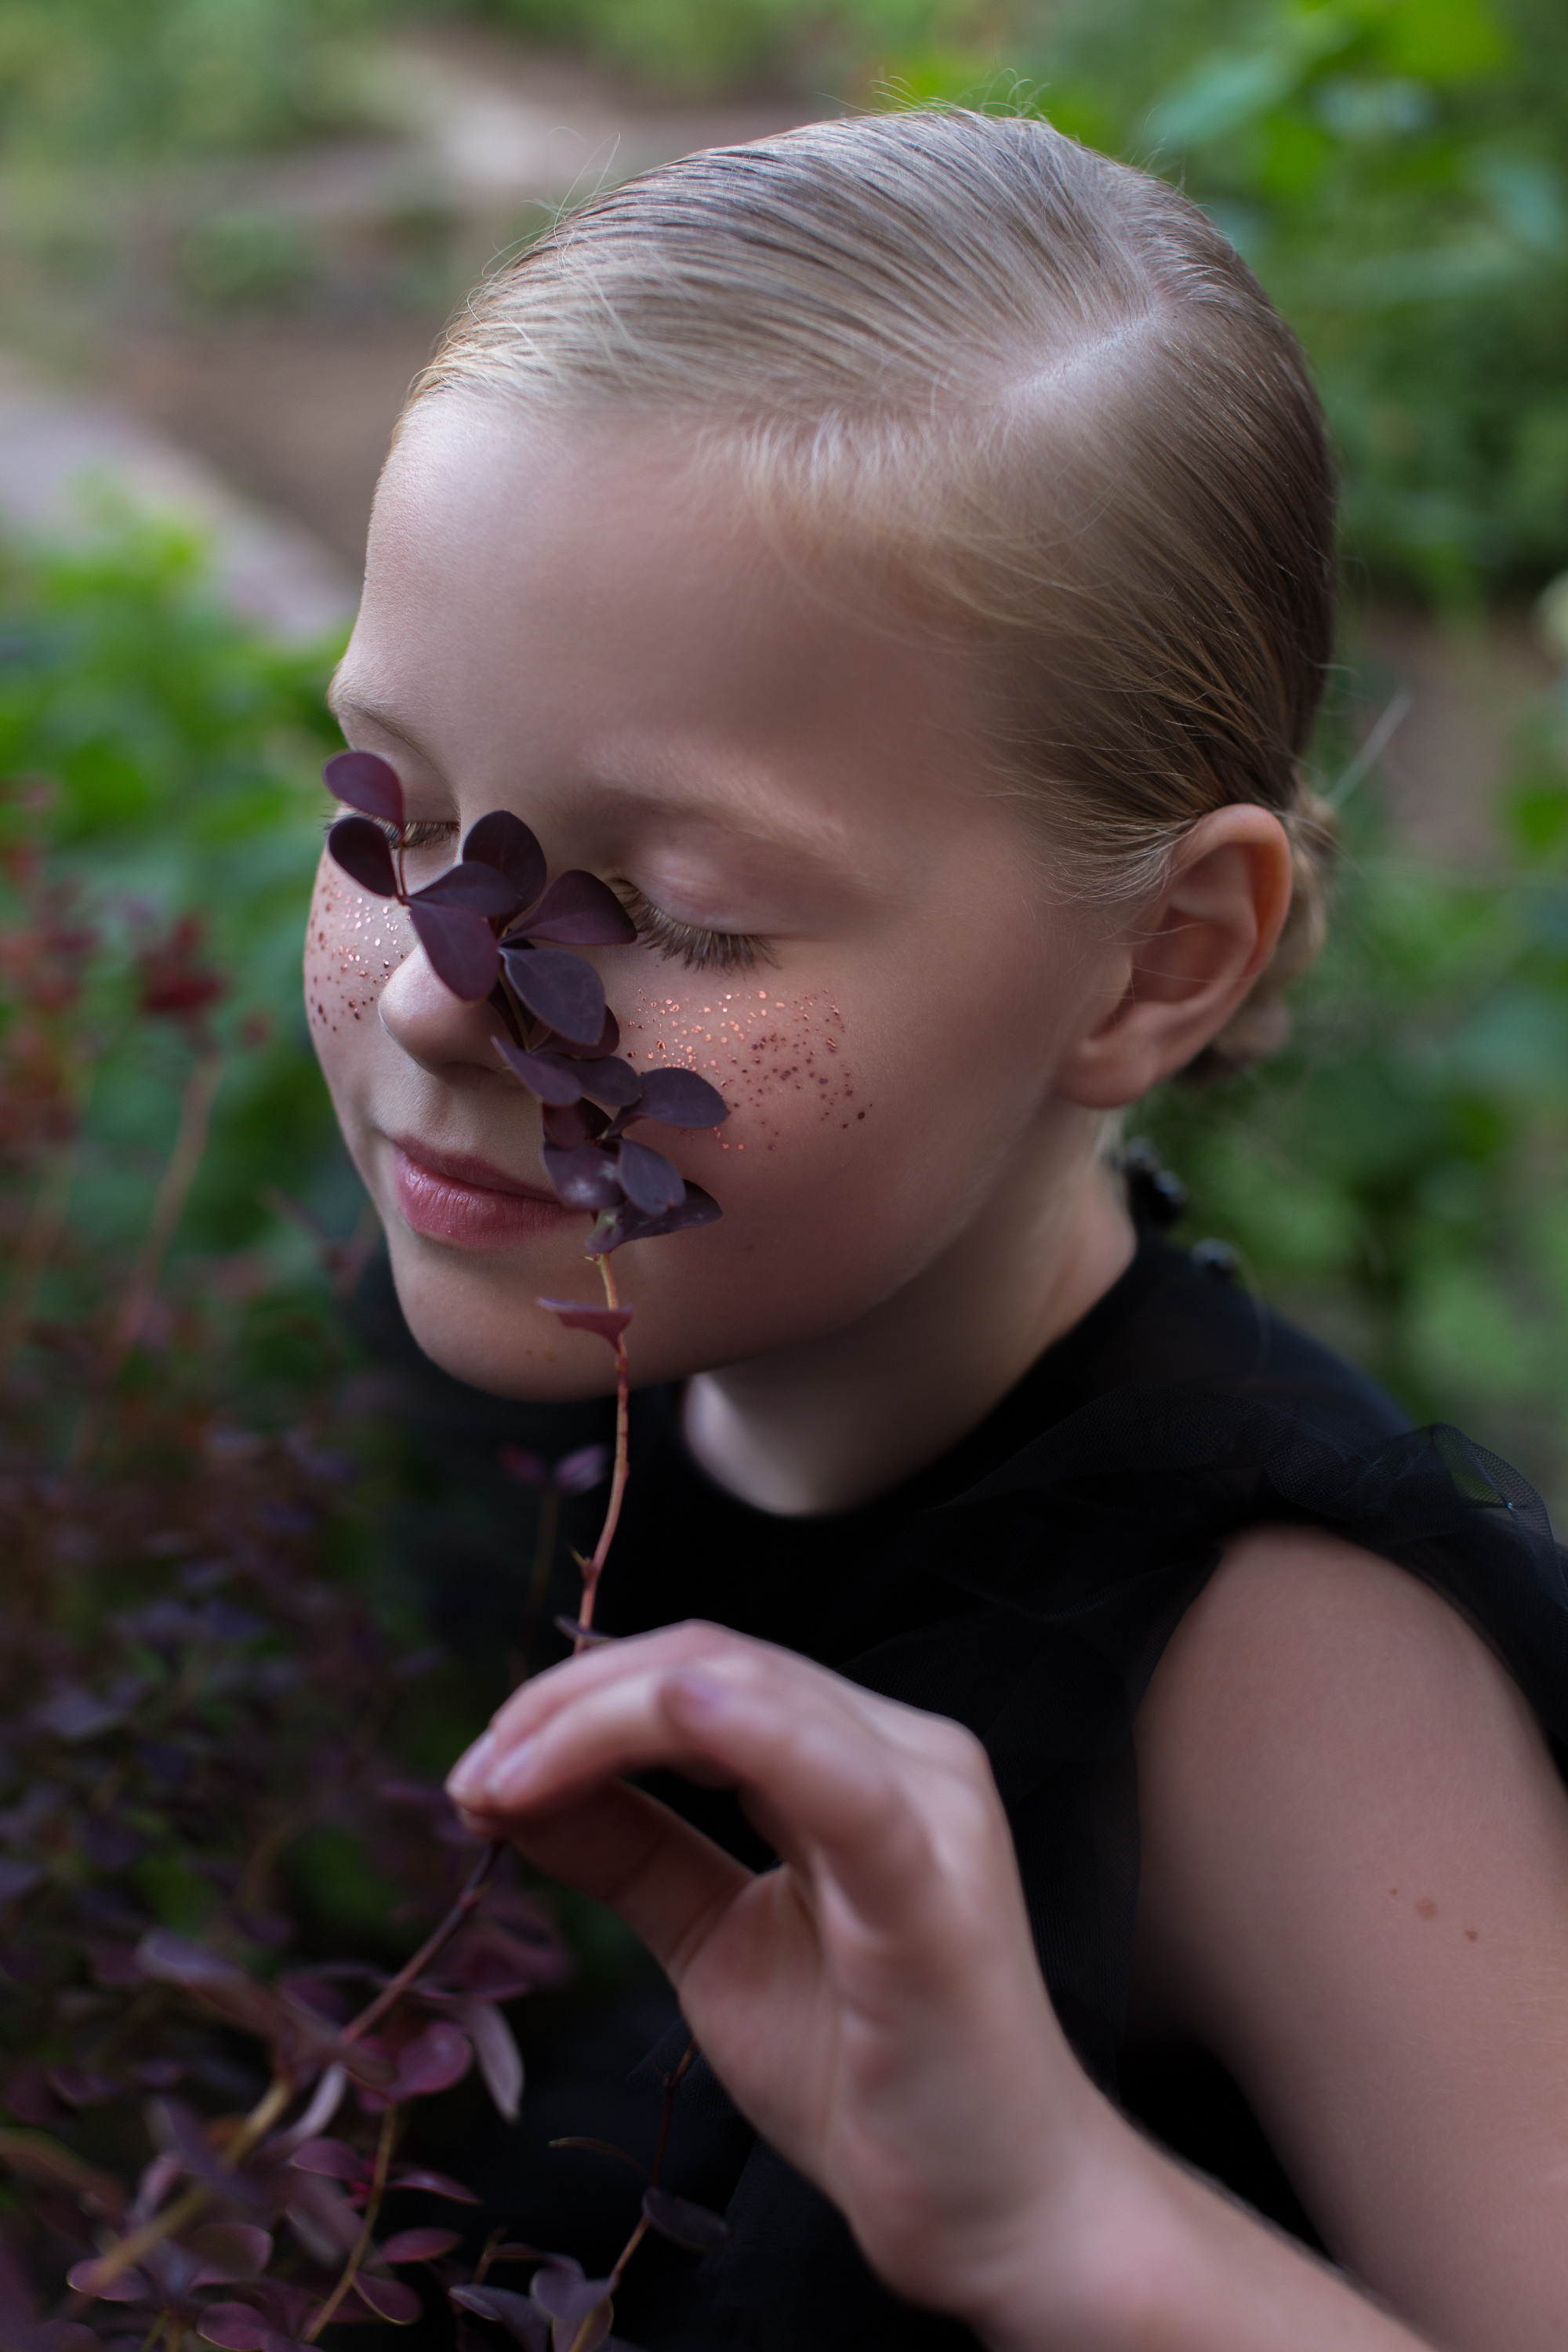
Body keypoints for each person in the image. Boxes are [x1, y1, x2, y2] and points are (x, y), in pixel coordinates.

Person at [306, 110, 1568, 2350]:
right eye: (390, 812)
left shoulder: (1284, 1675)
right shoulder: (456, 1340)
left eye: (673, 910)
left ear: (1160, 961)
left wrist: (1078, 2225)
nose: (431, 990)